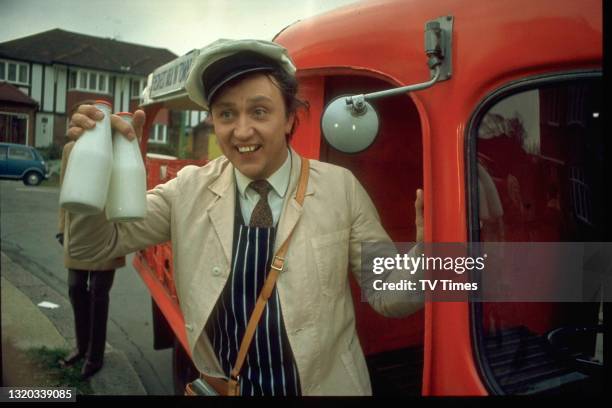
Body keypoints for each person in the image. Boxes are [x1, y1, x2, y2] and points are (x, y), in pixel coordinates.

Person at [65, 38, 424, 396]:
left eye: (259, 111)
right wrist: (86, 169)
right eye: (226, 114)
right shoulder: (188, 189)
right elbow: (90, 245)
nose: (241, 131)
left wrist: (429, 255)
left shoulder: (339, 189)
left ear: (289, 119)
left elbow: (389, 295)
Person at [56, 141, 125, 379]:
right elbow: (65, 187)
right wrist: (62, 227)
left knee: (98, 291)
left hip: (107, 229)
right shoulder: (70, 149)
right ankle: (81, 347)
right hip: (76, 229)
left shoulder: (116, 148)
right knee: (75, 287)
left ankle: (95, 356)